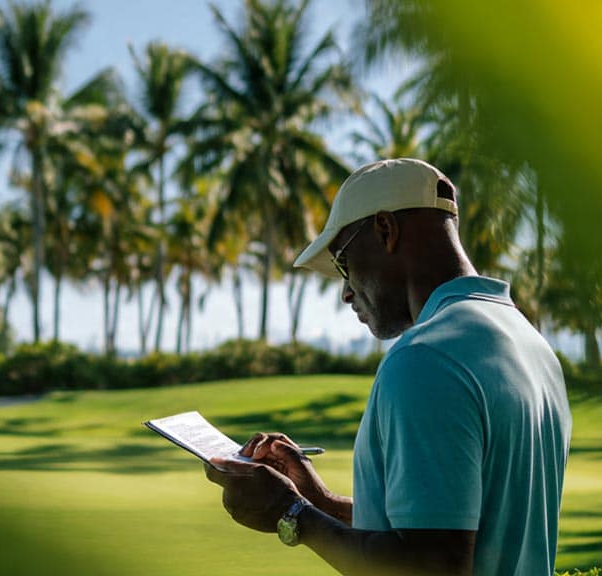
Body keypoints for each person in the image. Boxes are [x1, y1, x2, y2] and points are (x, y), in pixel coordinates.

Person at [204, 158, 572, 575]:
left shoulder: (427, 357)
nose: (346, 291)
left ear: (385, 230)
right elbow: (446, 525)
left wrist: (291, 514)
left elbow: (433, 565)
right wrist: (320, 503)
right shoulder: (530, 343)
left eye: (344, 262)